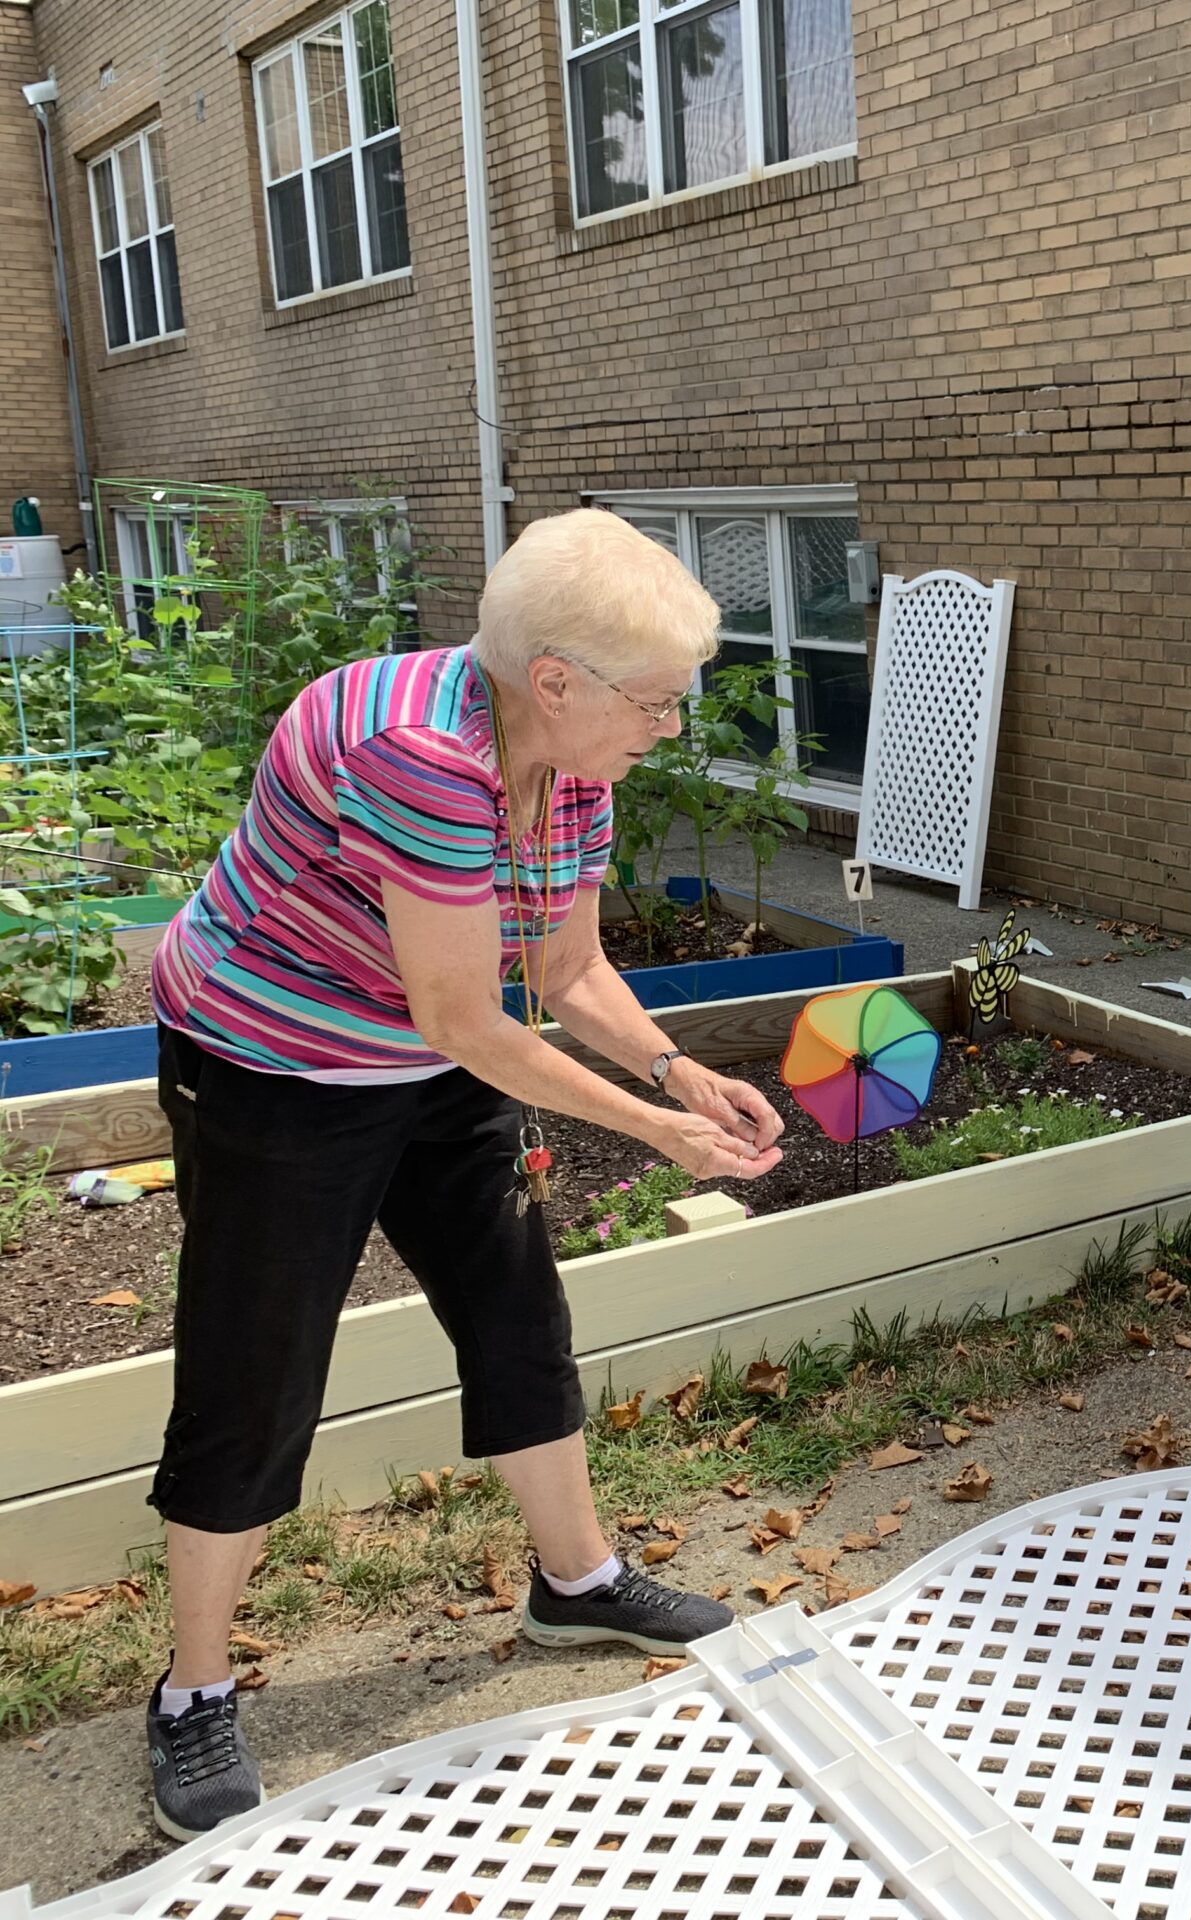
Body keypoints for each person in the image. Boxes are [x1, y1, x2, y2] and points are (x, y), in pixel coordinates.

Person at [141, 510, 787, 1841]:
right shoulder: (421, 757)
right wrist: (656, 1136)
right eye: (658, 701)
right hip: (276, 1060)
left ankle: (578, 1582)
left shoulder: (576, 762)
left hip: (422, 1051)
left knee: (515, 1312)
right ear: (557, 680)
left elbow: (562, 974)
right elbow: (464, 1019)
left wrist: (677, 1074)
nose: (670, 726)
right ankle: (193, 1690)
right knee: (253, 1374)